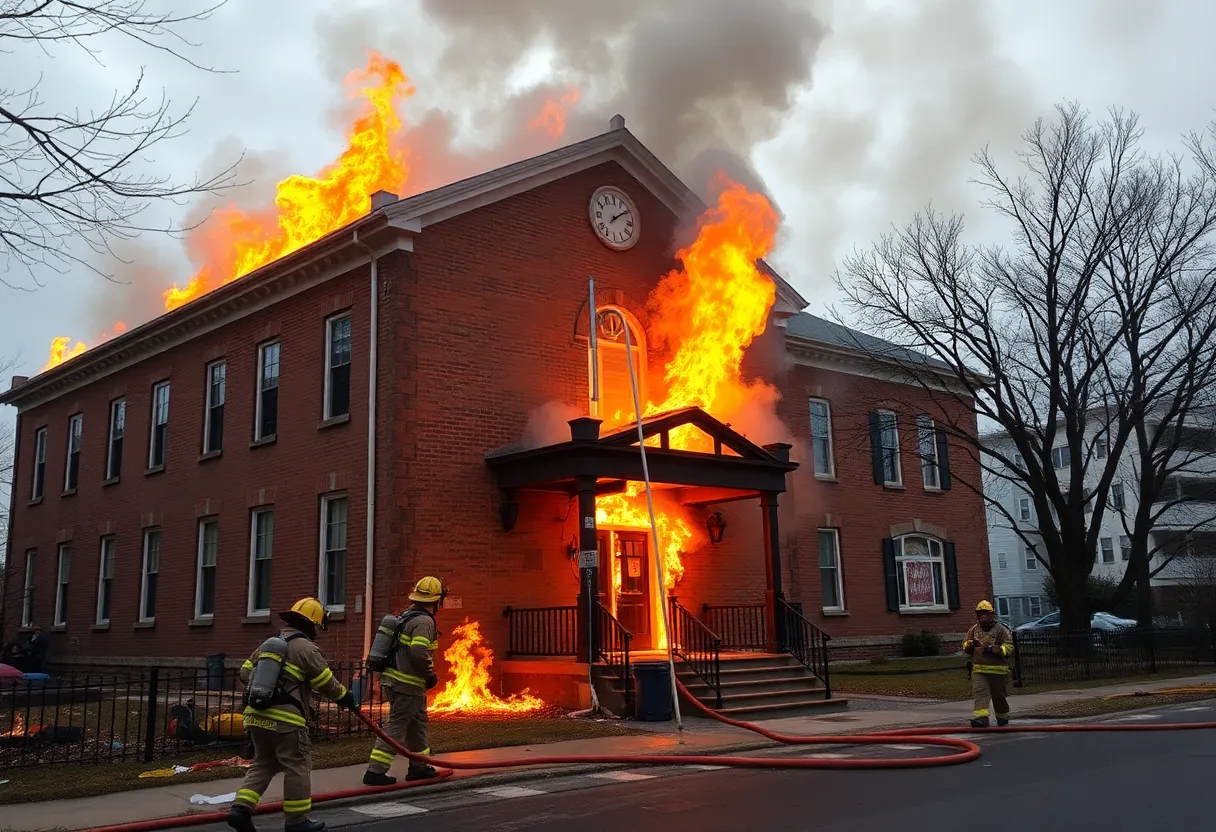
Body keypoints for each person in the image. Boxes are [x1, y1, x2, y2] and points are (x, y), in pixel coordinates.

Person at [227, 598, 356, 832]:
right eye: (316, 627)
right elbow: (325, 681)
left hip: (255, 717)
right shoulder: (305, 648)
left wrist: (269, 686)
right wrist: (344, 696)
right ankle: (297, 821)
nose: (316, 632)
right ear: (309, 625)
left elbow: (245, 673)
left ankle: (240, 809)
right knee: (297, 765)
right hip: (287, 722)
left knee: (263, 763)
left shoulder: (269, 643)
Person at [362, 576, 445, 785]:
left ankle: (419, 767)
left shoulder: (406, 616)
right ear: (437, 601)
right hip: (407, 683)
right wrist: (430, 674)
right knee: (397, 725)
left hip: (396, 680)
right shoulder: (424, 621)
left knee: (417, 724)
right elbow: (418, 652)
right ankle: (375, 771)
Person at [963, 600, 1014, 728]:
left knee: (999, 697)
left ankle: (1002, 717)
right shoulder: (974, 629)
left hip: (998, 670)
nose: (983, 616)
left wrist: (995, 649)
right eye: (980, 613)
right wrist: (969, 645)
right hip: (979, 670)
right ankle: (982, 719)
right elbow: (965, 647)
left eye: (985, 613)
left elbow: (1009, 647)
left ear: (992, 614)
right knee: (981, 694)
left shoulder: (1001, 630)